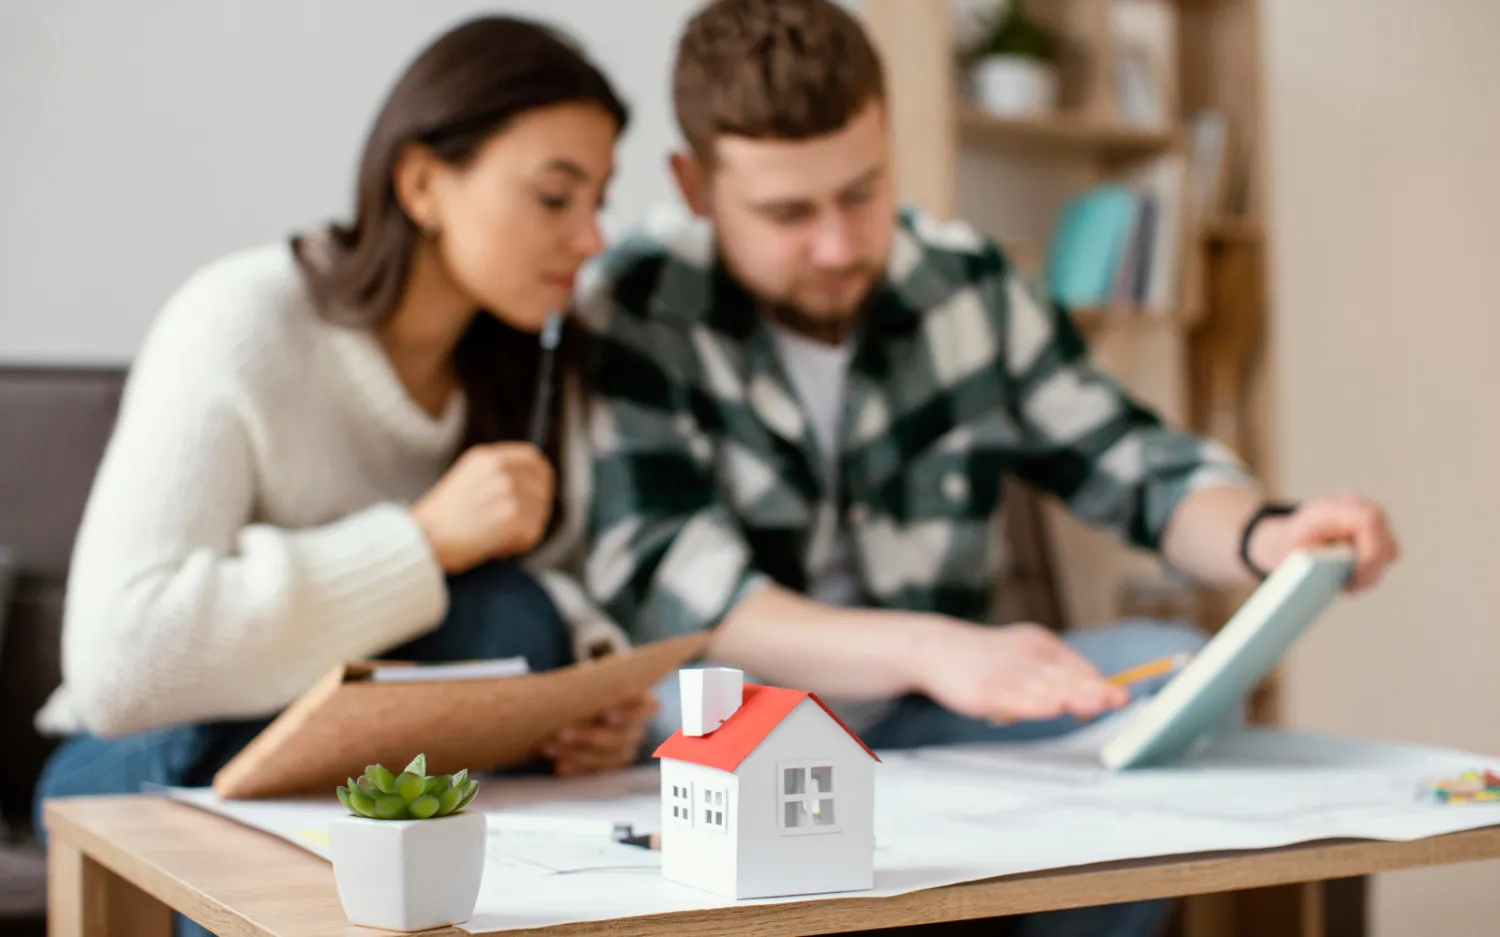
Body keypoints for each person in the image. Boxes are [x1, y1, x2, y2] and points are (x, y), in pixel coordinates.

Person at [577, 1, 1400, 934]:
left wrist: (1265, 532)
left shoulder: (966, 282)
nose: (840, 244)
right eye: (788, 212)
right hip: (742, 727)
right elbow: (683, 594)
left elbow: (1130, 460)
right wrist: (936, 646)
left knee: (1163, 678)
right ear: (694, 185)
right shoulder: (638, 306)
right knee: (642, 740)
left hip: (938, 715)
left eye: (862, 191)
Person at [32, 15, 657, 865]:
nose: (590, 239)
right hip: (140, 756)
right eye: (555, 196)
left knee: (512, 617)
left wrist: (588, 703)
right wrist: (424, 542)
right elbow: (119, 664)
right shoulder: (242, 320)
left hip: (357, 776)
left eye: (599, 200)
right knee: (485, 622)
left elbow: (552, 595)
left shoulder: (533, 358)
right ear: (422, 185)